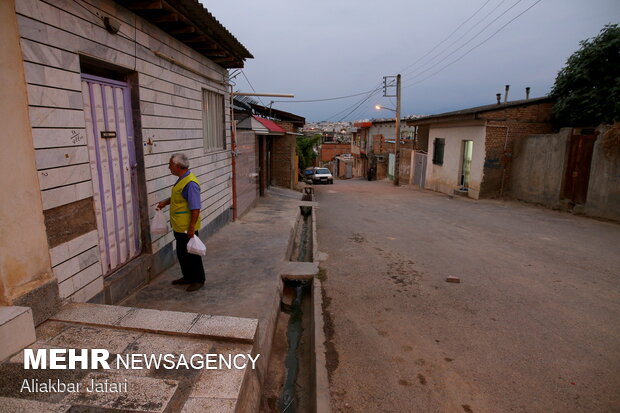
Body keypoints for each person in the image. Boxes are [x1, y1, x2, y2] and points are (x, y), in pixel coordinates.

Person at [157, 153, 205, 292]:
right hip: (179, 226)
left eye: (170, 164)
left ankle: (198, 279)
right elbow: (178, 197)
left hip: (187, 228)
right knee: (182, 253)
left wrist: (191, 228)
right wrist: (165, 202)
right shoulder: (182, 180)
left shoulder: (190, 184)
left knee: (193, 254)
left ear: (178, 166)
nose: (168, 167)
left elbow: (195, 208)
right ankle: (188, 276)